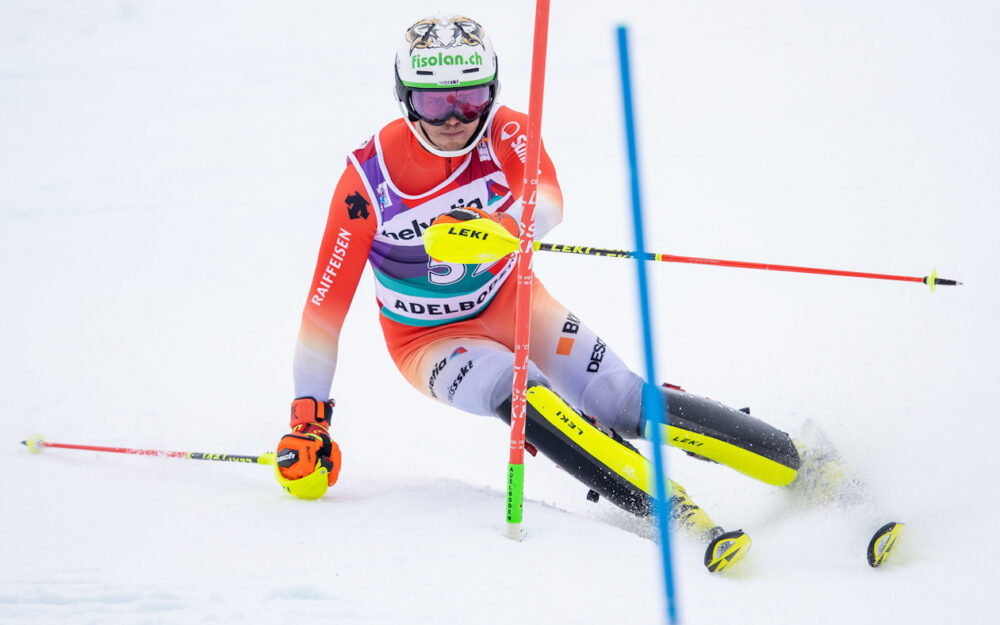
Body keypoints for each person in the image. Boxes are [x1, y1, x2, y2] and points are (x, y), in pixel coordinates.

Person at [271, 14, 827, 567]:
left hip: (514, 303)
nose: (455, 118)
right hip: (428, 342)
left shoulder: (506, 130)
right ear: (406, 97)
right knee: (525, 397)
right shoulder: (369, 179)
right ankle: (673, 513)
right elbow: (324, 309)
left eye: (471, 97)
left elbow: (549, 199)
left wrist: (507, 229)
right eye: (435, 103)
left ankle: (800, 462)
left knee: (619, 398)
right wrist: (308, 417)